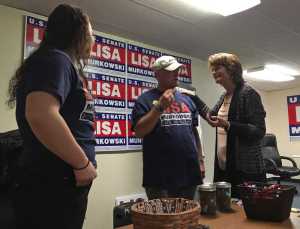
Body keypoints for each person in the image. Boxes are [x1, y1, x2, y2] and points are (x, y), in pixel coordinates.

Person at [7, 4, 97, 229]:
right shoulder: (56, 59)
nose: (93, 40)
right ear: (78, 34)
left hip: (58, 180)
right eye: (91, 34)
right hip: (56, 182)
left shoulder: (55, 61)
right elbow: (40, 114)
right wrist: (82, 164)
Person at [131, 55, 204, 200]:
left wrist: (200, 161)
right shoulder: (144, 100)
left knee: (187, 220)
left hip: (189, 174)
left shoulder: (187, 99)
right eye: (171, 70)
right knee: (163, 222)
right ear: (157, 74)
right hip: (160, 179)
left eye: (177, 70)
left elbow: (194, 132)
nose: (176, 73)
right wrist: (159, 107)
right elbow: (139, 132)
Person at [206, 53, 266, 197]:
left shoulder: (248, 93)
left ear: (231, 70)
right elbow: (211, 115)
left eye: (217, 68)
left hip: (244, 167)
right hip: (224, 165)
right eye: (212, 69)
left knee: (248, 212)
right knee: (226, 208)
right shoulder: (224, 95)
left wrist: (229, 125)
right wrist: (193, 99)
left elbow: (259, 131)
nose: (214, 72)